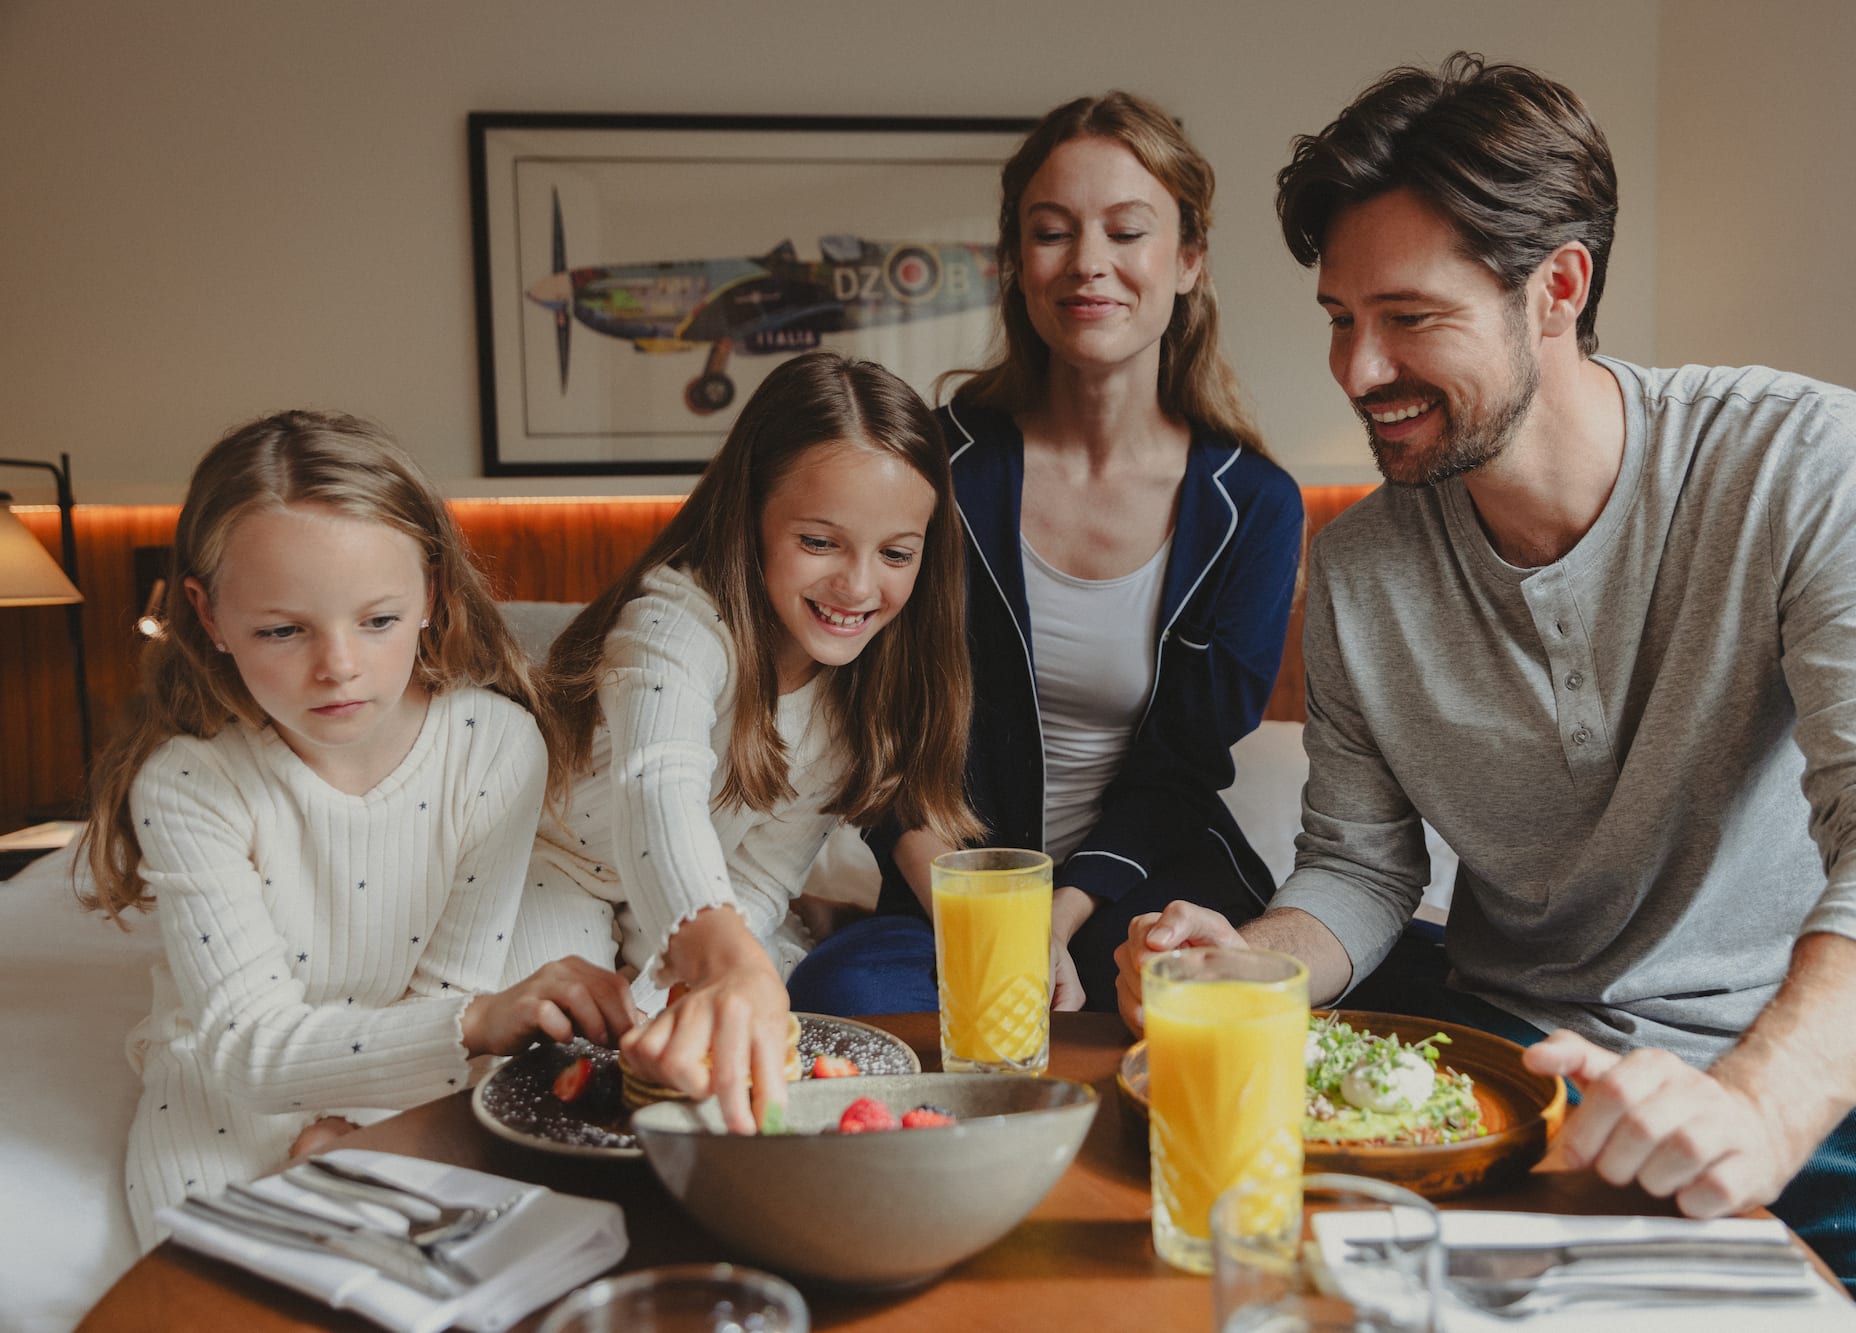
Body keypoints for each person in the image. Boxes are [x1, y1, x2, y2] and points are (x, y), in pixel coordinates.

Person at [1113, 54, 1856, 1329]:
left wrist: (1755, 1104)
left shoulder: (1795, 459)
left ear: (1557, 288)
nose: (1358, 369)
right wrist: (1246, 966)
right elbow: (1361, 868)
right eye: (1336, 316)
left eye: (1408, 316)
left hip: (1827, 1068)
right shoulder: (1361, 562)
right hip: (1510, 1051)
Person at [786, 92, 1305, 1017]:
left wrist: (1052, 926)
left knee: (1189, 1001)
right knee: (846, 992)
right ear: (1015, 264)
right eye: (1053, 231)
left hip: (1150, 875)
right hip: (950, 875)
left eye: (1127, 231)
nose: (1089, 264)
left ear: (1188, 261)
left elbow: (1184, 763)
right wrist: (984, 918)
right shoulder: (933, 464)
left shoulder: (1254, 507)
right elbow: (879, 712)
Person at [82, 410, 640, 1249]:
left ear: (433, 596)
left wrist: (366, 1135)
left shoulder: (493, 745)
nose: (337, 665)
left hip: (433, 1063)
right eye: (282, 629)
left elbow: (456, 995)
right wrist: (315, 1145)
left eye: (376, 620)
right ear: (207, 615)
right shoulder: (189, 782)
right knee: (207, 1279)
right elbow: (245, 1046)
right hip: (237, 1079)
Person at [503, 352, 980, 1134]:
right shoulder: (671, 624)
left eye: (896, 553)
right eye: (821, 541)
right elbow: (656, 796)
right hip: (556, 870)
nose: (860, 587)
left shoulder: (857, 698)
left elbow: (758, 877)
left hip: (698, 904)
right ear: (751, 512)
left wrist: (679, 988)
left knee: (685, 1068)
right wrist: (718, 958)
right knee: (557, 1056)